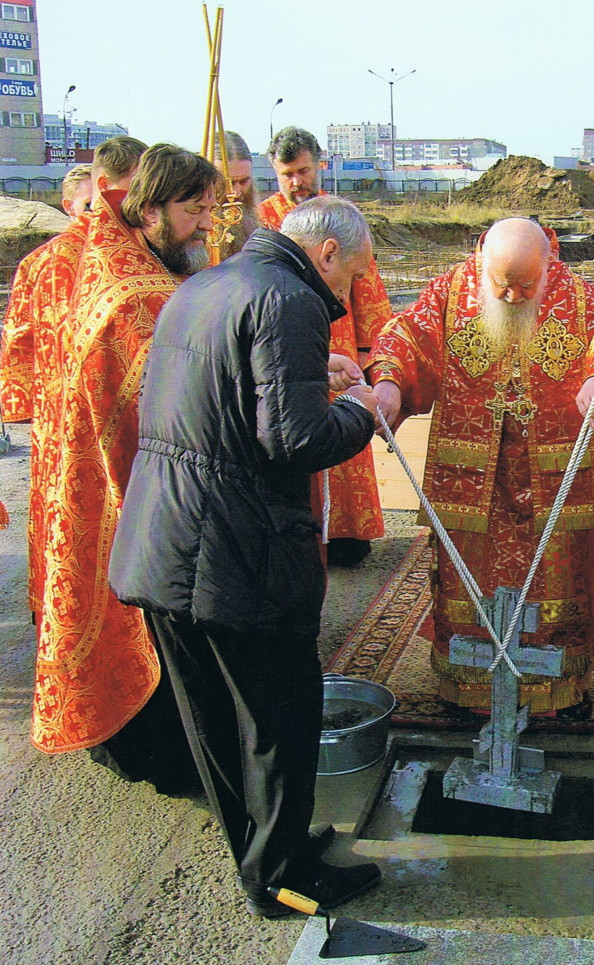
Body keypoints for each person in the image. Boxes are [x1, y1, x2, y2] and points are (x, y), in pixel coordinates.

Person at [108, 196, 383, 917]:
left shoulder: (211, 282)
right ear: (325, 255)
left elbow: (223, 395)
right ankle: (284, 878)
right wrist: (367, 406)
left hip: (165, 537)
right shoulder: (290, 299)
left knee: (214, 717)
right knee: (279, 717)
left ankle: (265, 849)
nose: (349, 291)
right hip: (236, 552)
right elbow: (293, 441)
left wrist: (314, 376)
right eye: (351, 274)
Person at [368, 217, 594, 716]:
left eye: (525, 286)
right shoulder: (450, 289)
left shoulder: (576, 293)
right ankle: (468, 688)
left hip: (550, 471)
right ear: (482, 259)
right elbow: (406, 336)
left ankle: (561, 685)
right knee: (471, 580)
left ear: (548, 264)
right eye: (501, 285)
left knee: (557, 580)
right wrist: (389, 383)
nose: (512, 297)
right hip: (471, 472)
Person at [31, 144, 219, 794]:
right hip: (118, 484)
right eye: (195, 210)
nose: (206, 227)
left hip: (91, 469)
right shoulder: (133, 293)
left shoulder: (123, 259)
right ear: (155, 206)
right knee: (140, 613)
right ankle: (160, 756)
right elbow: (178, 402)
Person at [1, 138, 146, 625]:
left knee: (70, 538)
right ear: (106, 188)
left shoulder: (37, 263)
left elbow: (17, 363)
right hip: (118, 425)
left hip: (57, 434)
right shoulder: (136, 260)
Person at [260, 125, 391, 566]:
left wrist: (370, 358)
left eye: (303, 171)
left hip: (340, 348)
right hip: (285, 350)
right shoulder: (262, 221)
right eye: (286, 175)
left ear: (321, 164)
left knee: (345, 433)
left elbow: (366, 293)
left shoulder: (341, 218)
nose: (296, 183)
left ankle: (348, 533)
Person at [212, 130, 261, 259]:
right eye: (229, 183)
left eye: (244, 181)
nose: (236, 193)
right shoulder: (191, 234)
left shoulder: (265, 225)